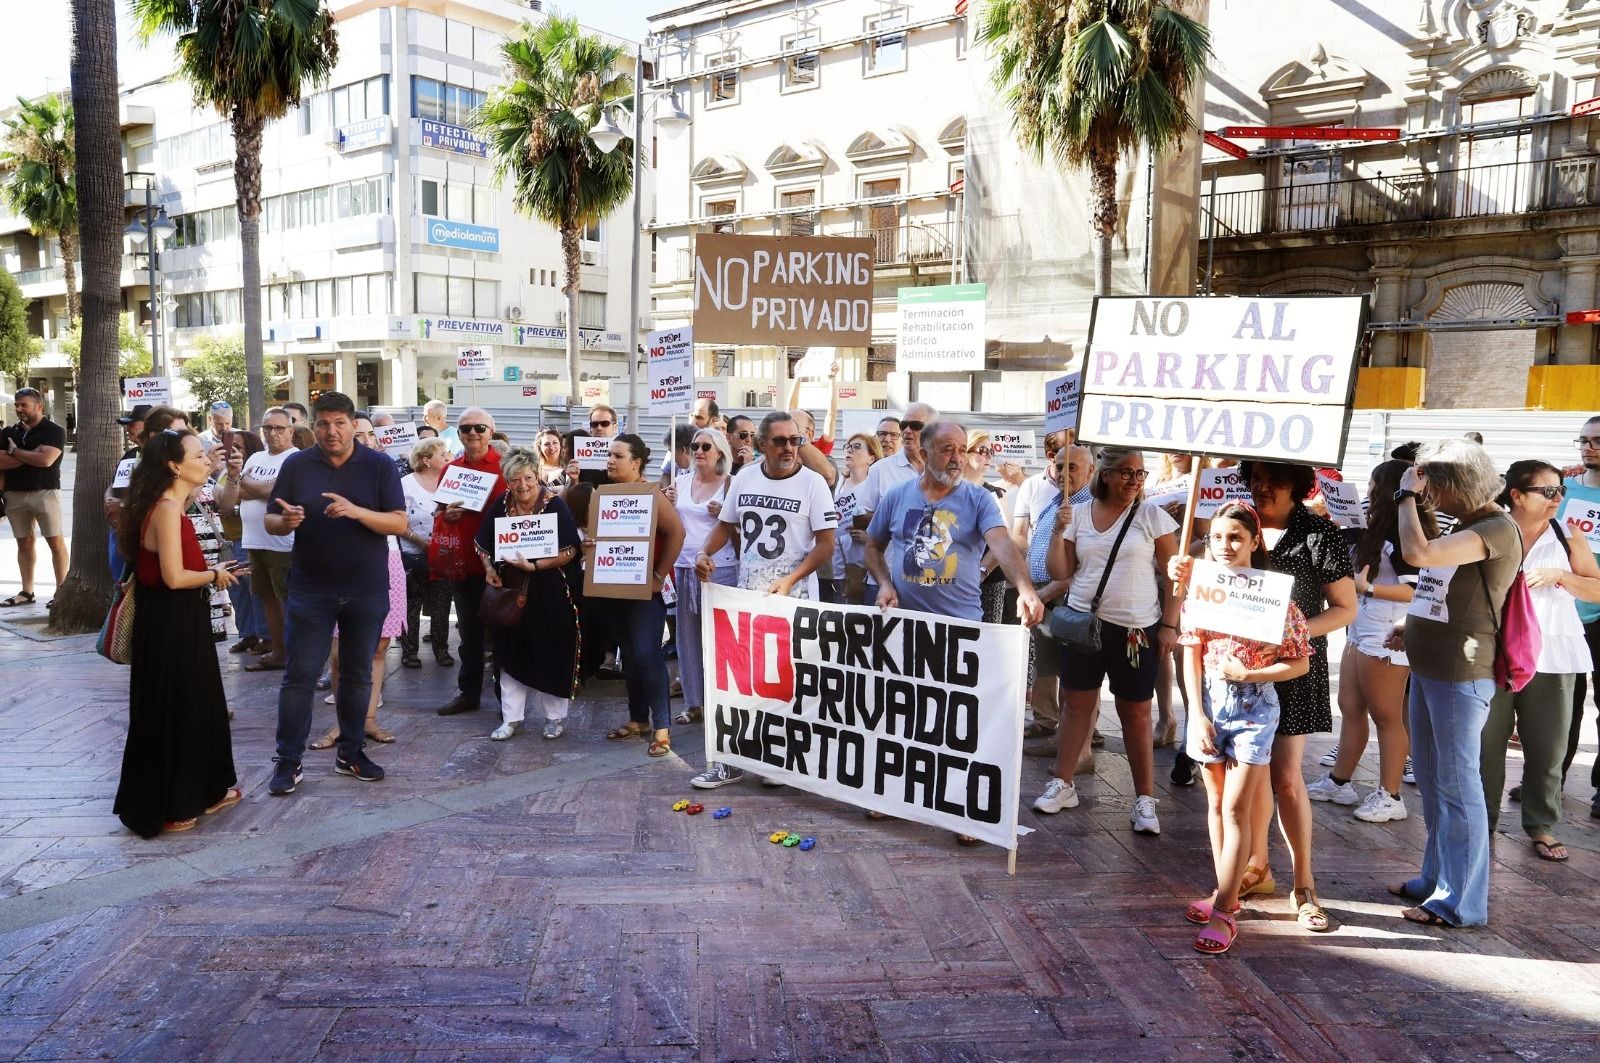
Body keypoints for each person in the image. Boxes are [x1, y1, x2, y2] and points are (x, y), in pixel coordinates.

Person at [1175, 459, 1355, 932]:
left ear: (1296, 487)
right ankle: (1251, 872)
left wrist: (1288, 634)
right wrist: (1181, 566)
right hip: (1228, 679)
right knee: (1242, 787)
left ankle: (1304, 885)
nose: (1261, 489)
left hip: (1293, 669)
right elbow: (1200, 584)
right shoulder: (1234, 527)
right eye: (1254, 480)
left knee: (1288, 780)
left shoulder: (1319, 533)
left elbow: (1345, 608)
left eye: (1272, 482)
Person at [865, 419, 1044, 845]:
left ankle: (966, 809)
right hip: (906, 628)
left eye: (961, 449)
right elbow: (871, 546)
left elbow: (1001, 544)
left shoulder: (978, 498)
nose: (957, 457)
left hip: (962, 630)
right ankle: (892, 794)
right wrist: (886, 583)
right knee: (902, 713)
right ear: (923, 454)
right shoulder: (896, 496)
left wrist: (1025, 589)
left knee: (958, 719)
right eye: (947, 449)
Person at [1388, 439, 1520, 927]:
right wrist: (1414, 626)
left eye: (1434, 489)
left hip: (1461, 673)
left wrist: (1403, 494)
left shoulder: (1494, 528)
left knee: (1459, 787)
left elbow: (1418, 553)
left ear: (1457, 486)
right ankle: (1435, 879)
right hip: (1433, 667)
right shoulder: (1470, 525)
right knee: (1433, 778)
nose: (1429, 498)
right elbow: (1444, 590)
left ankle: (1459, 901)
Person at [1180, 502, 1312, 955]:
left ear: (1255, 541)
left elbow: (1298, 663)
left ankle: (1226, 911)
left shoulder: (1278, 598)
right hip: (1211, 703)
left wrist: (1254, 675)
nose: (1224, 546)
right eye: (1216, 537)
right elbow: (1190, 652)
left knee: (1237, 808)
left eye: (1235, 537)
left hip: (1256, 710)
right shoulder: (1202, 589)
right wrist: (1195, 713)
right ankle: (1224, 890)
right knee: (1216, 804)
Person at [264, 392, 408, 796]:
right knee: (300, 677)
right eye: (323, 424)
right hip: (311, 589)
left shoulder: (378, 465)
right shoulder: (297, 464)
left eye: (339, 423)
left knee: (358, 674)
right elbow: (272, 519)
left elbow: (398, 523)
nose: (331, 431)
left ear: (351, 424)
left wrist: (356, 511)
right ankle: (288, 760)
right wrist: (285, 521)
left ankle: (351, 752)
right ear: (314, 425)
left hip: (366, 589)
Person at [1033, 448, 1179, 835]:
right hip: (1083, 623)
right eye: (1126, 473)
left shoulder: (1152, 516)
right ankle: (1063, 784)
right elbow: (1060, 570)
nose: (1134, 480)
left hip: (1135, 629)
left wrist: (1170, 624)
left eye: (1140, 473)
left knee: (1136, 714)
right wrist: (1059, 531)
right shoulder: (1078, 514)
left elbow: (1174, 577)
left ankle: (1144, 799)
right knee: (1077, 706)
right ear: (1106, 475)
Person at [690, 412, 838, 789]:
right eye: (780, 441)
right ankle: (730, 761)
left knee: (786, 684)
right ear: (761, 446)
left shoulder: (814, 484)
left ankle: (780, 761)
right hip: (746, 596)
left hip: (795, 600)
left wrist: (791, 579)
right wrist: (706, 554)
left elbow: (826, 545)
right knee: (739, 682)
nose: (789, 447)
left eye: (795, 441)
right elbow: (725, 525)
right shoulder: (744, 478)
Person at [113, 429, 241, 837]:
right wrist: (215, 573)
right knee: (179, 709)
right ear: (173, 465)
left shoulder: (168, 503)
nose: (206, 460)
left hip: (176, 619)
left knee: (188, 706)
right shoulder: (166, 508)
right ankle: (175, 804)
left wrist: (209, 475)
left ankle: (200, 793)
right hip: (172, 621)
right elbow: (173, 576)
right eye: (198, 455)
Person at [1481, 460, 1600, 863]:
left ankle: (1541, 825)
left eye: (1560, 491)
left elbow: (1597, 590)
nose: (1558, 499)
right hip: (1492, 653)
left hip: (1554, 652)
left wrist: (1560, 577)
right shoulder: (1489, 531)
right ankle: (1482, 820)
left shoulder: (1568, 538)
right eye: (1548, 492)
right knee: (1484, 743)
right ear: (1516, 495)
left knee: (1548, 746)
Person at [1308, 460, 1430, 822]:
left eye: (1375, 486)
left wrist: (1370, 588)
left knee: (1387, 716)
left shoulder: (1405, 535)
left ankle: (1390, 795)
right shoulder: (1366, 526)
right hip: (1359, 630)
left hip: (1386, 636)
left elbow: (1417, 590)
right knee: (1350, 706)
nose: (1369, 493)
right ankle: (1340, 781)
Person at [307, 413, 407, 749]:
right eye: (357, 433)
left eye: (368, 435)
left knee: (378, 648)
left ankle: (368, 720)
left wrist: (359, 512)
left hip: (385, 562)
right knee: (339, 654)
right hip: (337, 567)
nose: (361, 440)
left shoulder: (383, 470)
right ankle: (343, 724)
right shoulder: (326, 471)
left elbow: (398, 523)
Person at [586, 434, 686, 756]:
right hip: (613, 588)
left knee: (646, 655)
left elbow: (677, 534)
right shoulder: (605, 494)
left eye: (617, 456)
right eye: (609, 456)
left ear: (636, 463)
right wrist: (591, 546)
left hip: (646, 593)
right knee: (628, 656)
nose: (610, 461)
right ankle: (637, 719)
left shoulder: (653, 494)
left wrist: (659, 576)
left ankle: (661, 727)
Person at [474, 446, 583, 740]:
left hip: (549, 589)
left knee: (552, 649)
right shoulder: (501, 504)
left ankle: (554, 718)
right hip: (510, 589)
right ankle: (511, 719)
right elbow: (482, 544)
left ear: (536, 476)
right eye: (514, 480)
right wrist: (489, 569)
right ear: (506, 480)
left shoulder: (554, 504)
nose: (522, 486)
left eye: (527, 479)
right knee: (509, 651)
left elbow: (570, 549)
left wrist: (536, 565)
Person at [432, 408, 508, 717]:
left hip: (502, 566)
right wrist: (446, 515)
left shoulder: (507, 467)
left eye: (479, 428)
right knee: (469, 635)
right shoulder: (450, 469)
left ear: (491, 431)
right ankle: (469, 693)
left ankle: (509, 701)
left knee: (505, 634)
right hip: (464, 565)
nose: (473, 433)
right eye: (465, 429)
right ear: (458, 433)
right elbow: (438, 513)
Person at [669, 427, 736, 725]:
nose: (698, 451)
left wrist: (725, 512)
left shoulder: (731, 485)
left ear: (720, 452)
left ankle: (723, 701)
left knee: (721, 638)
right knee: (687, 638)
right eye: (695, 446)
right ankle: (695, 702)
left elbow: (742, 525)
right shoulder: (679, 483)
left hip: (721, 567)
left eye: (706, 447)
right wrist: (666, 502)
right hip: (684, 565)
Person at [1562, 414, 1600, 819]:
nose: (1588, 447)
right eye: (1584, 440)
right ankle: (1549, 780)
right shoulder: (1564, 491)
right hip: (1562, 613)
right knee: (1560, 705)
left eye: (1597, 441)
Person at [239, 408, 297, 671]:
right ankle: (278, 651)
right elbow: (239, 491)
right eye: (267, 428)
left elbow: (270, 491)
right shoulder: (255, 457)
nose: (272, 433)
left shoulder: (295, 459)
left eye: (279, 428)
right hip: (253, 540)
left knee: (286, 599)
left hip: (282, 544)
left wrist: (249, 484)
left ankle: (294, 653)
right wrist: (252, 487)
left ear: (290, 431)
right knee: (266, 597)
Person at [0, 388, 68, 608]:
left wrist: (15, 452)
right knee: (24, 543)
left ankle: (61, 591)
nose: (19, 409)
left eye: (24, 405)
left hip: (45, 492)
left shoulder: (54, 431)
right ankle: (26, 591)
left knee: (55, 542)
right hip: (14, 494)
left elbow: (47, 460)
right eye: (16, 405)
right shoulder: (8, 432)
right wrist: (32, 454)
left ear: (39, 406)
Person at [398, 436, 453, 669]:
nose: (449, 457)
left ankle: (441, 649)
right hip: (412, 553)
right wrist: (421, 543)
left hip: (444, 554)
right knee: (412, 602)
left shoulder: (450, 483)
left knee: (441, 602)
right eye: (443, 454)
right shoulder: (406, 484)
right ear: (426, 460)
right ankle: (409, 650)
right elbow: (398, 521)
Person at [214, 430, 270, 653]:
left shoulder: (255, 470)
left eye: (239, 446)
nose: (233, 450)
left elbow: (246, 495)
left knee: (253, 588)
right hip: (227, 540)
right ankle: (247, 634)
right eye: (230, 445)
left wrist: (233, 504)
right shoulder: (223, 471)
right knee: (236, 590)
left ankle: (265, 635)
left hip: (247, 538)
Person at [831, 432, 881, 605]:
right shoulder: (838, 485)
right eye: (848, 447)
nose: (849, 450)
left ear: (871, 458)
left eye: (857, 447)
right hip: (836, 568)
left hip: (863, 570)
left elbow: (886, 526)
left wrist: (869, 538)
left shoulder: (875, 488)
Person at [576, 403, 621, 487]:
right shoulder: (579, 455)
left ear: (614, 427)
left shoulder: (623, 452)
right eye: (594, 424)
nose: (599, 428)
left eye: (605, 423)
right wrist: (573, 480)